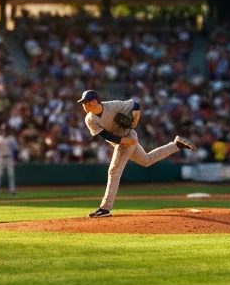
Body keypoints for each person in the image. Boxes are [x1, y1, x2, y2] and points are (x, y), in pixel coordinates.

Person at [77, 89, 193, 218]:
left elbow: (135, 104)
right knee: (146, 160)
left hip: (128, 137)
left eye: (86, 102)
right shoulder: (90, 119)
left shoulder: (113, 106)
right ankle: (176, 145)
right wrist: (123, 141)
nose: (84, 105)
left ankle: (105, 208)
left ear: (94, 101)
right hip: (122, 141)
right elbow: (106, 135)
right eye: (83, 103)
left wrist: (136, 114)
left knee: (114, 171)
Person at [0, 129, 18, 196]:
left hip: (9, 158)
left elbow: (16, 149)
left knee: (11, 175)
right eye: (3, 130)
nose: (5, 131)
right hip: (1, 158)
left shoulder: (12, 139)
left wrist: (15, 158)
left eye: (6, 130)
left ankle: (12, 190)